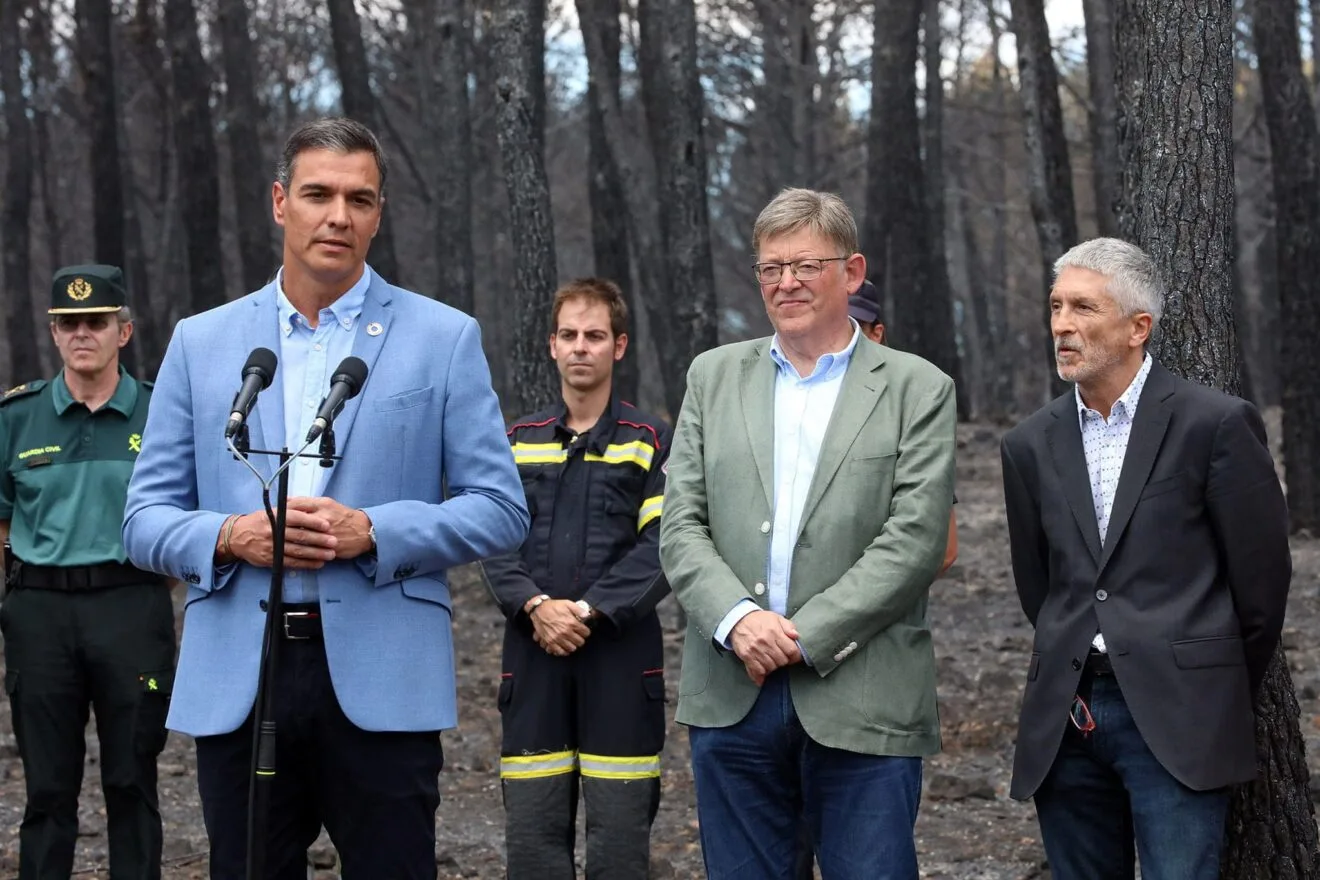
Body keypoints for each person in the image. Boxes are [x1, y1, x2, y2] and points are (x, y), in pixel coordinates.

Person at [121, 117, 529, 879]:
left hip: (383, 681)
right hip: (244, 677)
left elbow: (500, 507)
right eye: (318, 194)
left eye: (359, 199)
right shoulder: (201, 342)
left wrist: (373, 528)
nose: (338, 215)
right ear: (281, 202)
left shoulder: (443, 338)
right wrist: (229, 536)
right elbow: (143, 520)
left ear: (379, 213)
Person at [659, 187, 957, 879]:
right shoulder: (712, 376)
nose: (785, 282)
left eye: (804, 265)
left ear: (851, 274)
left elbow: (914, 542)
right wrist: (739, 622)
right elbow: (681, 524)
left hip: (863, 694)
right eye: (770, 268)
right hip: (732, 696)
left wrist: (801, 635)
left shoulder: (919, 388)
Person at [1000, 237, 1291, 879]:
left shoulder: (1213, 424)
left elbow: (1261, 586)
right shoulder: (1028, 444)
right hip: (1066, 717)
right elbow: (1039, 585)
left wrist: (1201, 677)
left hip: (1180, 714)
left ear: (1138, 328)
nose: (1063, 326)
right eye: (1055, 308)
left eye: (1083, 308)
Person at [482, 278, 672, 878]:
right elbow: (493, 541)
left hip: (618, 658)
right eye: (569, 335)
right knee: (534, 843)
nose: (580, 347)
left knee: (619, 847)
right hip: (533, 660)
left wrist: (586, 612)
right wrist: (536, 606)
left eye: (595, 336)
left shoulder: (651, 443)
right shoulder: (515, 442)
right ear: (551, 346)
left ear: (619, 346)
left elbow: (663, 546)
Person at [1, 264, 174, 880]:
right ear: (53, 334)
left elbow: (183, 518)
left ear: (123, 331)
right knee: (47, 789)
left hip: (130, 607)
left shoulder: (159, 415)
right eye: (69, 323)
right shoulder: (15, 418)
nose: (83, 334)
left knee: (133, 780)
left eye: (96, 322)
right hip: (40, 613)